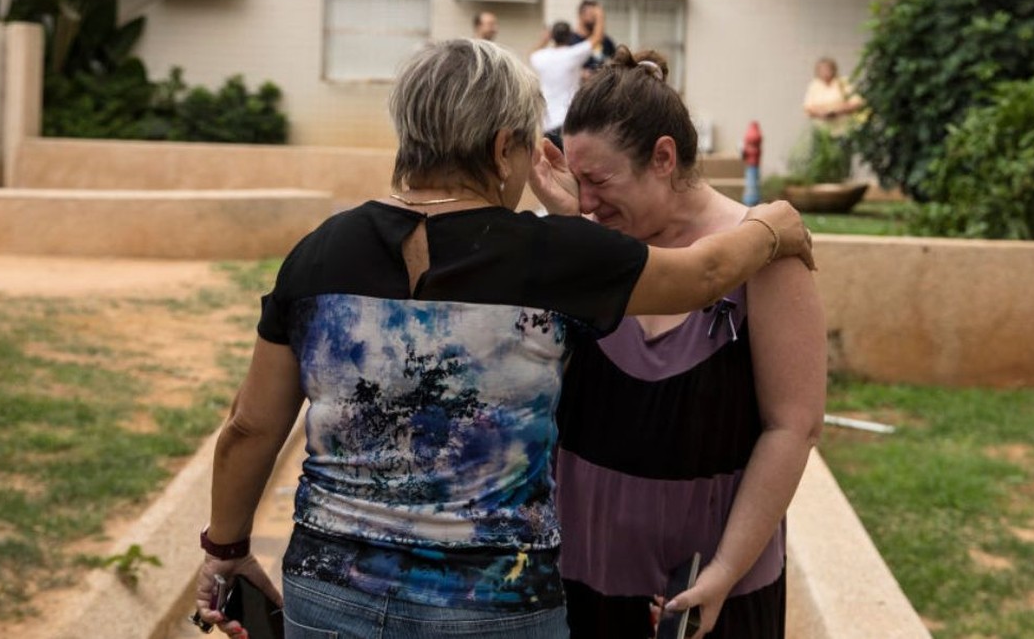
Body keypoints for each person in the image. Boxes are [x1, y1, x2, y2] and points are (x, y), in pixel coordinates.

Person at [192, 38, 814, 639]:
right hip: (495, 604)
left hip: (328, 594)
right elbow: (701, 276)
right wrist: (772, 227)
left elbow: (249, 427)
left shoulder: (319, 254)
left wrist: (226, 548)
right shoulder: (549, 258)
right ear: (501, 149)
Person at [531, 47, 826, 638]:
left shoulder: (765, 254)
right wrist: (571, 225)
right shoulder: (588, 243)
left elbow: (793, 427)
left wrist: (723, 571)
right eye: (577, 181)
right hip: (579, 583)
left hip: (709, 596)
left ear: (663, 157)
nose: (587, 200)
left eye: (600, 180)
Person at [530, 8, 604, 151]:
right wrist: (599, 16)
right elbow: (596, 38)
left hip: (546, 120)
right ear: (570, 36)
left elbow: (531, 53)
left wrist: (544, 39)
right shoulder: (572, 55)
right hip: (567, 118)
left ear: (552, 37)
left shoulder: (541, 57)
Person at [802, 57, 863, 135]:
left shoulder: (843, 83)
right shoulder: (814, 85)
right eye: (821, 70)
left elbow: (856, 102)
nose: (824, 72)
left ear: (833, 69)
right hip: (822, 131)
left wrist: (838, 110)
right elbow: (808, 107)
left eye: (827, 69)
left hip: (844, 130)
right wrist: (822, 113)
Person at [568, 0, 617, 75]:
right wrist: (581, 73)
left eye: (597, 16)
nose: (596, 19)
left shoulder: (606, 41)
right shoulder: (570, 40)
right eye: (592, 14)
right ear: (580, 15)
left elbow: (615, 61)